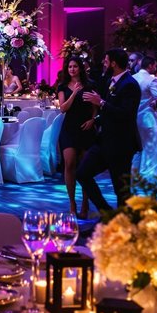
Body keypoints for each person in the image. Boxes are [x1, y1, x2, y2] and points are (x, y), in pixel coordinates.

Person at [76, 49, 141, 213]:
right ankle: (107, 212)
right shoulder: (110, 81)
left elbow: (126, 114)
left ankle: (123, 227)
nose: (103, 64)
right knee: (82, 173)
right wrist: (95, 119)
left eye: (106, 61)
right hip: (104, 141)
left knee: (122, 190)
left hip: (121, 144)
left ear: (113, 63)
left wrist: (102, 103)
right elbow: (107, 111)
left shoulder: (130, 85)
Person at [57, 57, 97, 217]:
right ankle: (72, 203)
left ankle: (86, 203)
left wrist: (93, 120)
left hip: (86, 128)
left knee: (85, 167)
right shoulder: (62, 86)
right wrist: (74, 93)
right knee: (70, 163)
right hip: (69, 128)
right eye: (70, 67)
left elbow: (95, 107)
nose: (72, 69)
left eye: (75, 66)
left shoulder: (90, 85)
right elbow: (62, 108)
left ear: (80, 68)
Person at [132, 56, 157, 184]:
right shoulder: (152, 80)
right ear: (150, 66)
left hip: (134, 119)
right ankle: (149, 178)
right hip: (147, 119)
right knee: (151, 148)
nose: (155, 68)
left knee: (137, 149)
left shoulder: (133, 78)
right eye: (154, 66)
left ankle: (135, 175)